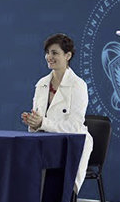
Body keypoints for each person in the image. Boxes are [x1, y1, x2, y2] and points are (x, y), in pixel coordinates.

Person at [21, 33, 93, 192]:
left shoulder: (78, 85)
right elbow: (39, 119)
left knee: (46, 182)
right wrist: (33, 122)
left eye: (54, 53)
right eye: (47, 52)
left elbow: (74, 126)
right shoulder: (41, 84)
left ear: (68, 56)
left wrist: (42, 123)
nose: (49, 57)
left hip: (68, 143)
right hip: (44, 142)